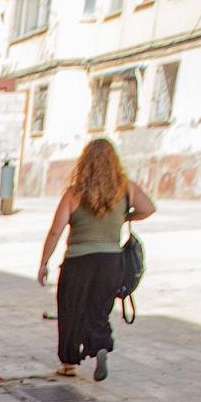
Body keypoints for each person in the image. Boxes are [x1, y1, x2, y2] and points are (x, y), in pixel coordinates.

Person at [38, 137, 155, 379]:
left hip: (78, 263)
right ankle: (100, 345)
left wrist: (44, 262)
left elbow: (55, 230)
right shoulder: (126, 189)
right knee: (99, 309)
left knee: (71, 310)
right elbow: (149, 208)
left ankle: (69, 363)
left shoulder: (73, 194)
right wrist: (124, 217)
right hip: (111, 262)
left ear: (85, 163)